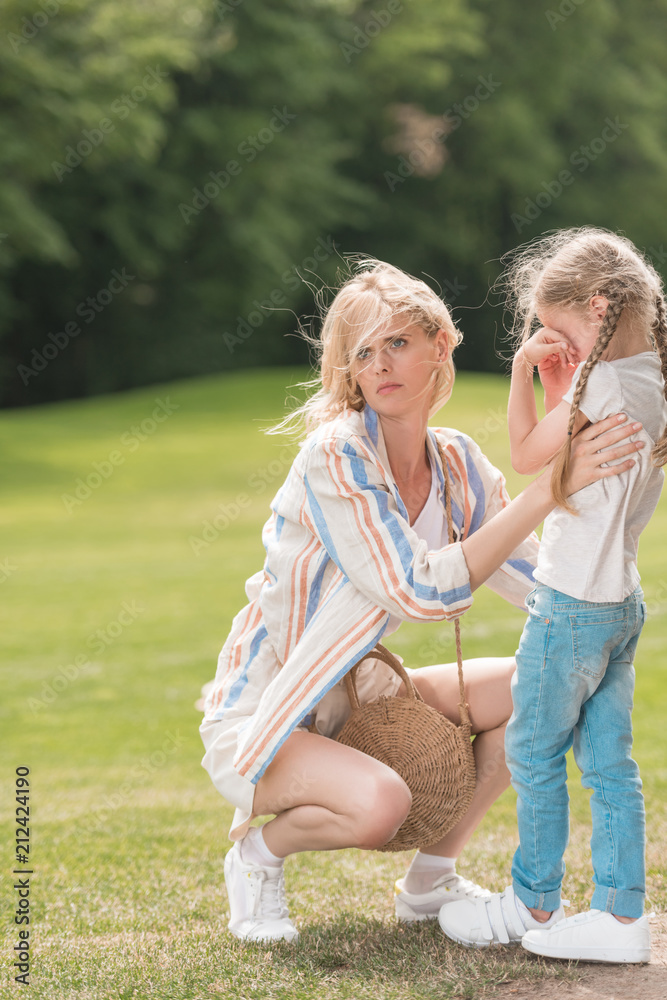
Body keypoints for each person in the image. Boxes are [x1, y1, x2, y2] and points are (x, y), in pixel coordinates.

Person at [199, 258, 643, 944]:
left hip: (366, 691)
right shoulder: (336, 457)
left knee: (542, 685)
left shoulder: (459, 462)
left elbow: (536, 577)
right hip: (274, 704)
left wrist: (564, 419)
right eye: (363, 353)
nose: (380, 366)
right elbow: (417, 589)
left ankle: (430, 878)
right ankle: (257, 856)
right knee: (380, 804)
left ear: (440, 343)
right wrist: (545, 489)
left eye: (397, 343)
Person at [438, 228, 667, 963]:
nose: (550, 342)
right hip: (620, 607)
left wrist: (519, 373)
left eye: (561, 329)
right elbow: (563, 445)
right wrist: (562, 375)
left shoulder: (598, 389)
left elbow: (526, 453)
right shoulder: (647, 379)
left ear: (597, 308)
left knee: (532, 754)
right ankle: (620, 917)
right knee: (608, 766)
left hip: (567, 606)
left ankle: (531, 902)